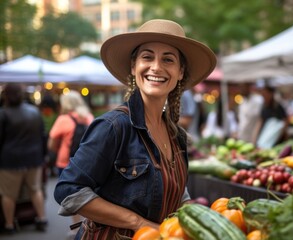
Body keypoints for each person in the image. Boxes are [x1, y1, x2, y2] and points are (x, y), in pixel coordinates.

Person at [53, 19, 217, 239]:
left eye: (168, 59)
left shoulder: (176, 136)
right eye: (147, 57)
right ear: (133, 67)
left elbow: (177, 194)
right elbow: (68, 190)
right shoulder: (113, 127)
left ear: (180, 72)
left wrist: (204, 220)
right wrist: (139, 223)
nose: (156, 67)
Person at [0, 83, 48, 234]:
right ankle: (41, 218)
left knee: (8, 194)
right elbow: (43, 135)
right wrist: (43, 155)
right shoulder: (34, 111)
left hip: (10, 160)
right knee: (35, 189)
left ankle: (9, 225)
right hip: (34, 158)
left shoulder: (3, 113)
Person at [47, 90, 94, 237]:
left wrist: (60, 148)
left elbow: (51, 143)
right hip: (88, 163)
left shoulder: (63, 119)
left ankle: (75, 228)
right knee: (90, 194)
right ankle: (91, 225)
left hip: (66, 162)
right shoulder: (88, 117)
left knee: (71, 196)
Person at [253, 84, 288, 148]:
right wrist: (254, 139)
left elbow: (285, 123)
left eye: (265, 94)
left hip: (278, 143)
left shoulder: (278, 107)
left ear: (271, 94)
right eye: (262, 95)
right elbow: (260, 123)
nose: (264, 96)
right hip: (265, 142)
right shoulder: (264, 108)